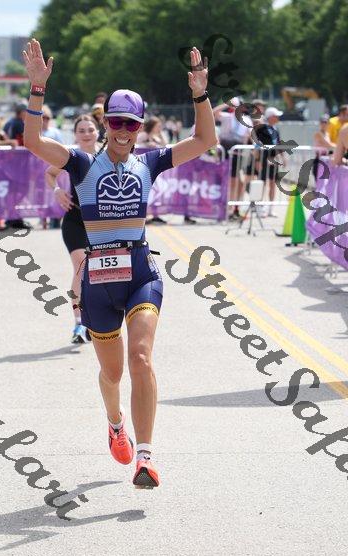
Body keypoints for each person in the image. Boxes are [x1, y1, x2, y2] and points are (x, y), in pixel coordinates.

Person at [23, 38, 216, 488]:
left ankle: (145, 457)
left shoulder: (150, 163)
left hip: (141, 273)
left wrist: (200, 94)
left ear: (139, 126)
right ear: (105, 123)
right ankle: (115, 424)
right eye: (116, 122)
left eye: (131, 123)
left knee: (142, 358)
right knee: (112, 374)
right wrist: (37, 89)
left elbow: (205, 140)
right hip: (99, 280)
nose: (123, 131)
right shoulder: (81, 164)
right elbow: (32, 140)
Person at [45, 114, 100, 344]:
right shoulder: (71, 156)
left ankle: (97, 320)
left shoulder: (108, 155)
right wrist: (57, 190)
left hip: (101, 223)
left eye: (90, 129)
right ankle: (79, 323)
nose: (86, 134)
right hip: (75, 219)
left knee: (100, 272)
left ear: (98, 132)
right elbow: (50, 173)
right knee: (81, 267)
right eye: (81, 130)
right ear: (75, 134)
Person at [213, 97, 252, 220]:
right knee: (226, 180)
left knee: (236, 181)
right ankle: (226, 207)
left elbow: (249, 136)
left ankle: (234, 207)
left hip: (238, 153)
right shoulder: (227, 117)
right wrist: (226, 104)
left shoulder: (246, 120)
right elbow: (213, 113)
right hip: (225, 152)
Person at [253, 106, 283, 217]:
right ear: (270, 117)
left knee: (273, 184)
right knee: (262, 184)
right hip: (263, 159)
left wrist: (282, 158)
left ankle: (270, 209)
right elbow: (257, 145)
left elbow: (278, 144)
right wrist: (257, 160)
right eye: (276, 116)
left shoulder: (276, 129)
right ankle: (260, 207)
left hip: (274, 160)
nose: (278, 118)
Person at [313, 114, 335, 179]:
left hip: (326, 160)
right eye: (322, 122)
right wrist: (341, 146)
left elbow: (329, 148)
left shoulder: (327, 134)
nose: (324, 124)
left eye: (325, 122)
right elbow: (328, 145)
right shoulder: (318, 134)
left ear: (328, 124)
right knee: (319, 181)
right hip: (319, 160)